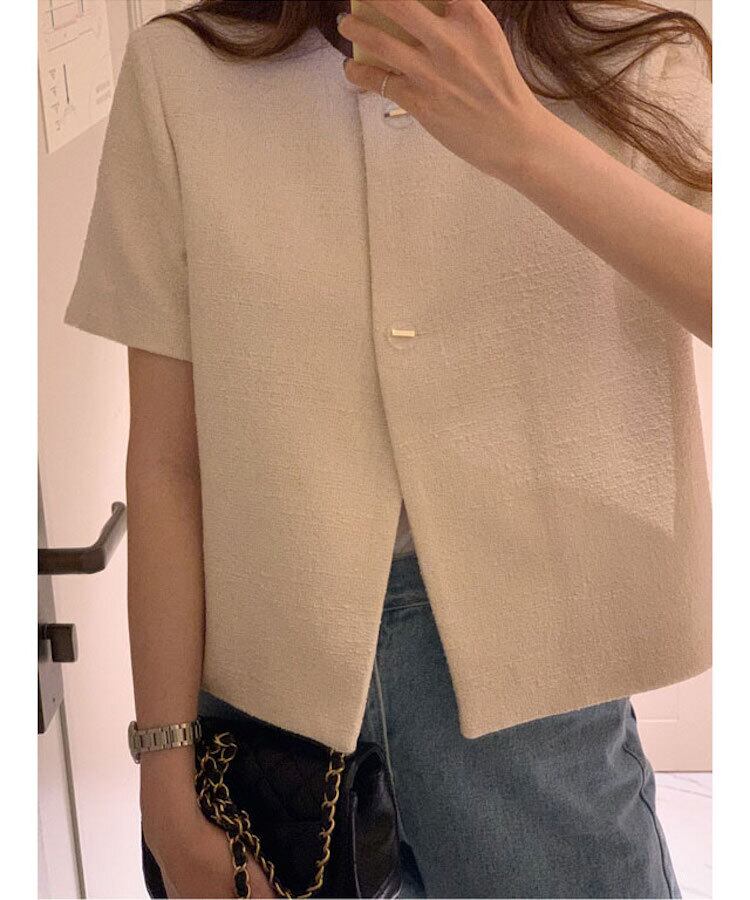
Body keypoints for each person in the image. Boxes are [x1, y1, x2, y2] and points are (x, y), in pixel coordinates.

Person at [62, 1, 712, 897]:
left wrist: (523, 139)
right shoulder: (182, 75)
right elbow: (169, 466)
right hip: (268, 718)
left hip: (540, 716)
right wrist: (166, 792)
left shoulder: (631, 52)